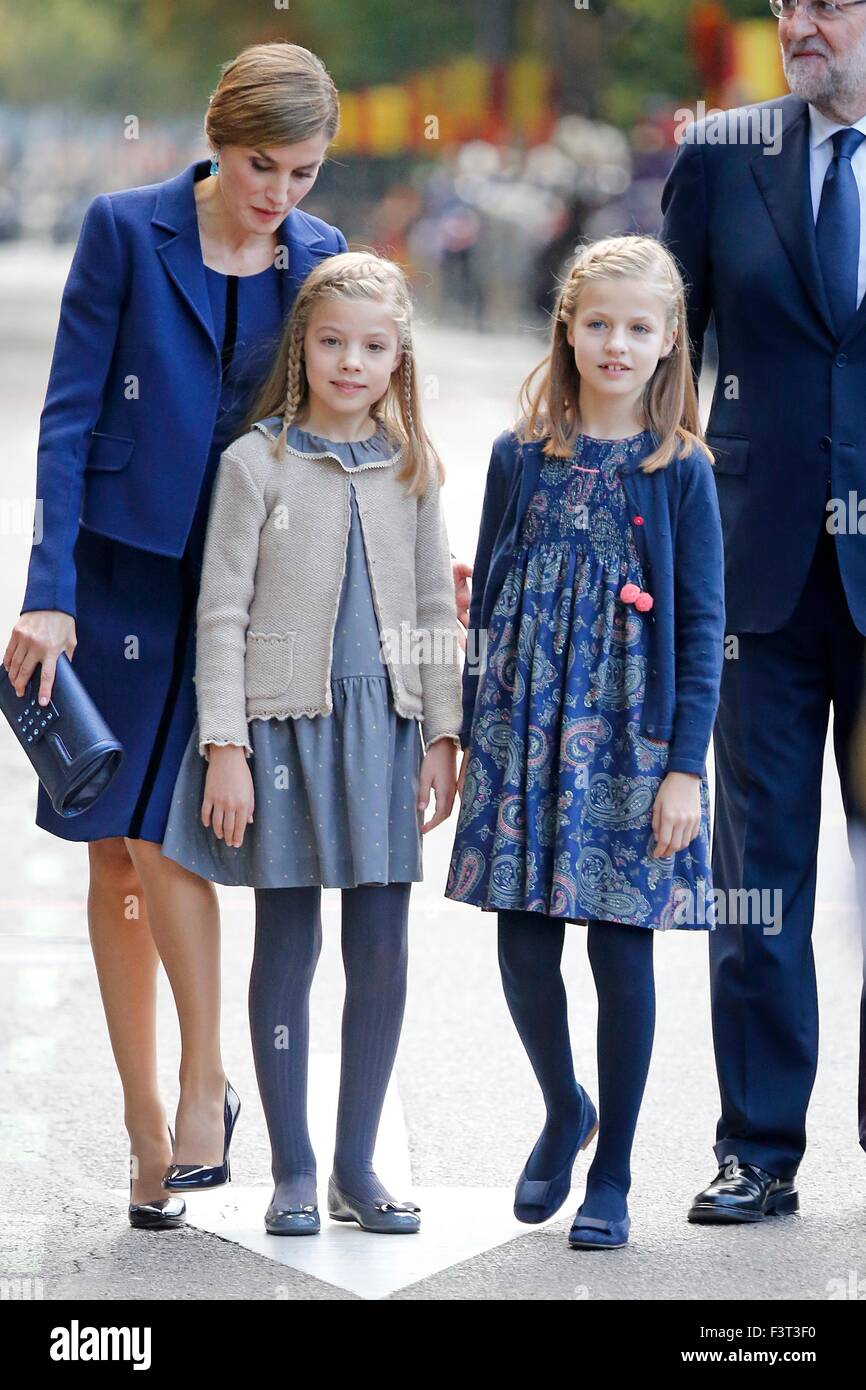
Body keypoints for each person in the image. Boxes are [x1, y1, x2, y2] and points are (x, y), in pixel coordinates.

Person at [2, 41, 347, 1230]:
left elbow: (340, 431)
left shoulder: (321, 259)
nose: (280, 195)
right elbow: (67, 412)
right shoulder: (124, 228)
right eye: (262, 166)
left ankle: (206, 1085)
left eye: (303, 172)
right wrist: (47, 586)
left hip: (236, 595)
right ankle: (149, 1127)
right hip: (112, 583)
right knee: (112, 854)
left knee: (168, 839)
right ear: (216, 134)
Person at [161, 251, 463, 1236]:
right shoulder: (255, 462)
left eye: (371, 347)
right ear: (303, 346)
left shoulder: (412, 465)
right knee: (286, 941)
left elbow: (429, 605)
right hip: (276, 729)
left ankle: (354, 1166)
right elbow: (219, 611)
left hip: (385, 728)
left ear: (396, 358)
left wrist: (441, 732)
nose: (349, 362)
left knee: (379, 947)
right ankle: (291, 1168)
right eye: (331, 342)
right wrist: (225, 747)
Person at [446, 235, 725, 1249]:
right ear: (567, 327)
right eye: (597, 322)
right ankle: (564, 1106)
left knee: (619, 949)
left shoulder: (679, 472)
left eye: (637, 327)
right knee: (519, 938)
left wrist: (684, 766)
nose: (615, 342)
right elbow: (486, 610)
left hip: (630, 747)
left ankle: (611, 1171)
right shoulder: (516, 457)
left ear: (665, 345)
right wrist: (472, 728)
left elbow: (698, 629)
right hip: (523, 733)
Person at [661, 0, 866, 1222]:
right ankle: (756, 1147)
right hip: (757, 577)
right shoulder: (722, 153)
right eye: (783, 2)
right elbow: (656, 347)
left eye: (828, 2)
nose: (798, 23)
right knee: (757, 879)